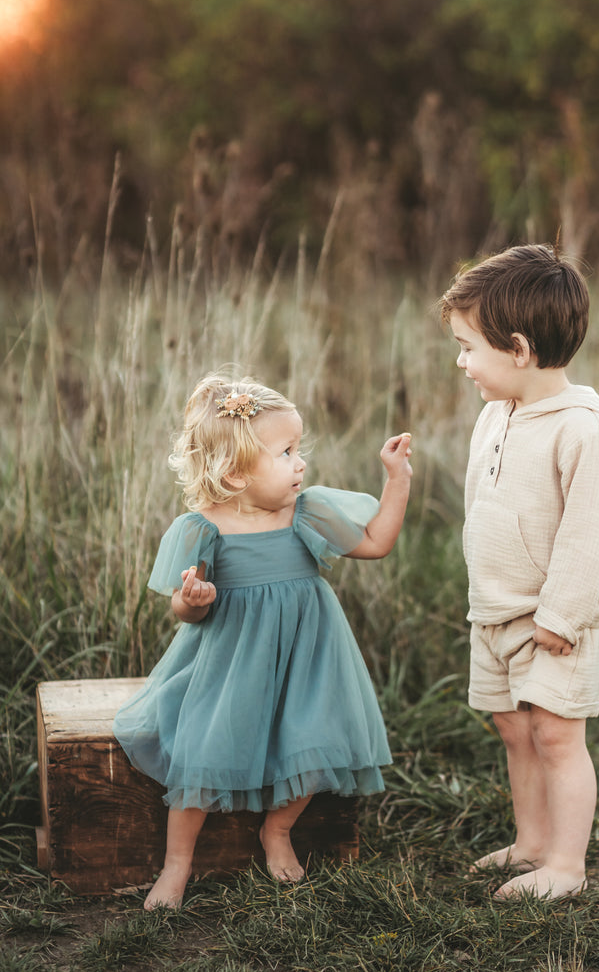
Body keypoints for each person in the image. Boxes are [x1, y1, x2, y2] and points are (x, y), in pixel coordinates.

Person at [114, 372, 412, 910]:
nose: (301, 463)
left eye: (299, 448)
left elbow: (376, 543)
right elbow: (182, 608)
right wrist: (194, 599)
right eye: (285, 452)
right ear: (233, 474)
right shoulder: (203, 529)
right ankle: (176, 866)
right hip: (232, 662)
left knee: (313, 736)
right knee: (203, 750)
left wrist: (397, 478)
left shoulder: (307, 512)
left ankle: (278, 830)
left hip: (308, 655)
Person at [438, 244, 599, 901]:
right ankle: (530, 843)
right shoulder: (498, 414)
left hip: (557, 621)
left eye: (469, 348)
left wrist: (561, 615)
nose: (461, 362)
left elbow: (593, 533)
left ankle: (566, 866)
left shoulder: (583, 432)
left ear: (518, 349)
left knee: (555, 733)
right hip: (495, 610)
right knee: (514, 728)